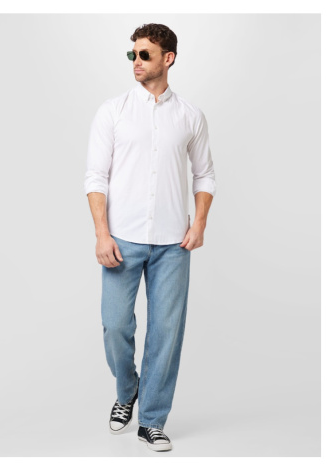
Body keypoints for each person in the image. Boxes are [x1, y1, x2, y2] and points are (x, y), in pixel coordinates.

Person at [84, 23, 216, 452]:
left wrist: (199, 223)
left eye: (145, 54)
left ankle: (153, 420)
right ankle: (128, 390)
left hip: (173, 244)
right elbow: (95, 177)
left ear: (168, 58)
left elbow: (204, 175)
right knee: (115, 325)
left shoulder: (190, 116)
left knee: (166, 332)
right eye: (133, 54)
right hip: (121, 240)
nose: (136, 62)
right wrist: (102, 234)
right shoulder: (113, 111)